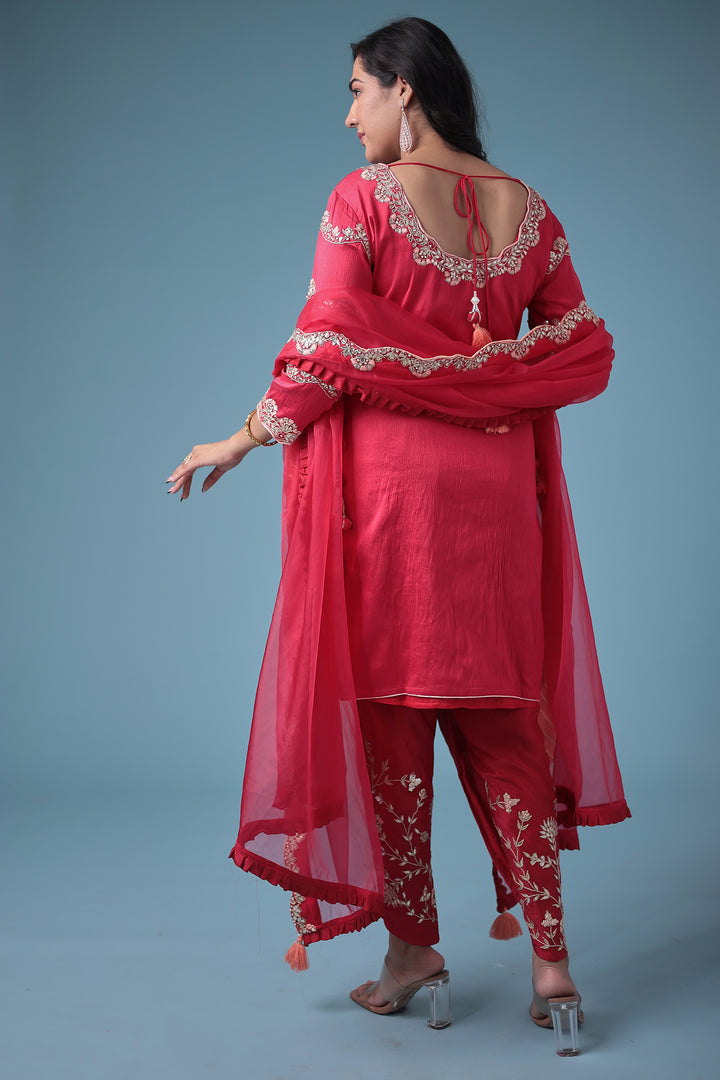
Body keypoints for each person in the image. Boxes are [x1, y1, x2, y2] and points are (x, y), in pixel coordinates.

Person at [167, 17, 629, 1054]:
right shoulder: (531, 210)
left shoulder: (363, 201)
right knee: (507, 718)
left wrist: (238, 439)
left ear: (404, 89)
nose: (349, 116)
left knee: (392, 722)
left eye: (357, 91)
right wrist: (486, 372)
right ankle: (552, 962)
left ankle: (414, 950)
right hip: (500, 509)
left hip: (394, 508)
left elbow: (324, 352)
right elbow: (579, 348)